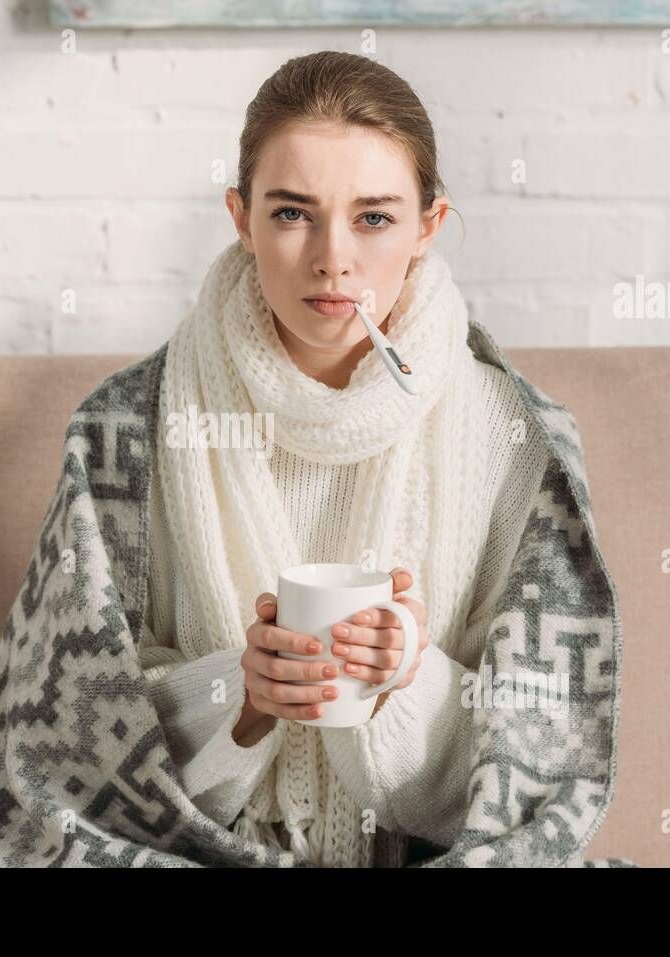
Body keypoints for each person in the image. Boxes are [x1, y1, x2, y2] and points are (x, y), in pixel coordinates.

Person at [139, 50, 554, 867]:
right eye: (293, 213)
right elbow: (77, 757)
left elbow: (536, 778)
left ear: (428, 227)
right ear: (241, 216)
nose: (334, 258)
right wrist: (240, 696)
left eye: (374, 217)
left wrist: (406, 681)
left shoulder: (512, 435)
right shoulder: (127, 426)